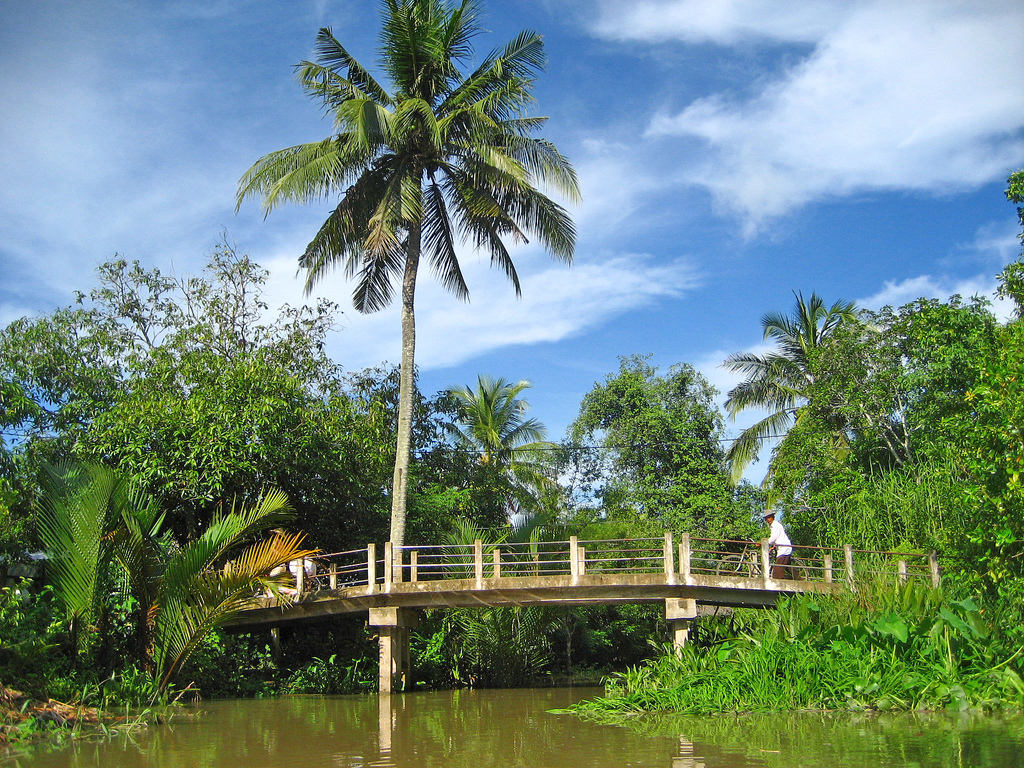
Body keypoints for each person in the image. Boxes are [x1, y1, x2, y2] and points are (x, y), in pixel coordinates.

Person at [763, 511, 792, 579]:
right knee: (789, 568)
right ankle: (799, 579)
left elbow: (774, 538)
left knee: (777, 569)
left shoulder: (776, 525)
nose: (768, 520)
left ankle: (776, 584)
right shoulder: (773, 526)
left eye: (769, 518)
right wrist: (774, 546)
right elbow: (778, 538)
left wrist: (765, 543)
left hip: (784, 549)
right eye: (766, 518)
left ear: (773, 517)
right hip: (782, 548)